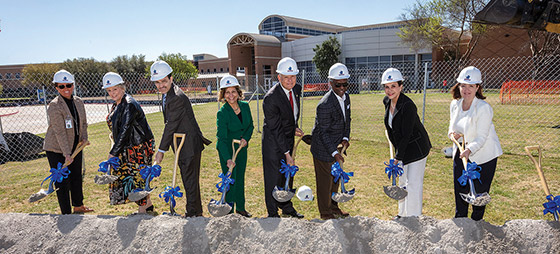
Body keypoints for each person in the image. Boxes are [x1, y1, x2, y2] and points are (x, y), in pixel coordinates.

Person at [151, 60, 212, 217]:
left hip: (189, 145)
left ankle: (193, 213)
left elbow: (170, 125)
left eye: (164, 81)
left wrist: (161, 150)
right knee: (188, 179)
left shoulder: (176, 97)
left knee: (190, 180)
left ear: (171, 79)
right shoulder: (168, 94)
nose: (161, 85)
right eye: (157, 82)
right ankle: (195, 211)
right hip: (182, 144)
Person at [448, 66, 502, 221]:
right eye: (463, 85)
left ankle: (477, 223)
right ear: (458, 86)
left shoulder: (484, 108)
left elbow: (482, 137)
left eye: (471, 86)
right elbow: (452, 128)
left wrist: (469, 150)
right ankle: (461, 220)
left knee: (479, 192)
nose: (466, 90)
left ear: (477, 87)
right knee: (460, 188)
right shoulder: (455, 105)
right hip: (461, 151)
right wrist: (453, 135)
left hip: (484, 155)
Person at [382, 67, 431, 219]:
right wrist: (397, 154)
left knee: (413, 184)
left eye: (394, 86)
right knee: (402, 182)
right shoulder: (387, 101)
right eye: (387, 87)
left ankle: (413, 217)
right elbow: (392, 128)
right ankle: (402, 214)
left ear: (401, 86)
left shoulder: (408, 106)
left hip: (416, 148)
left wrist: (398, 157)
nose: (390, 91)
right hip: (402, 149)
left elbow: (407, 134)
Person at [103, 72, 155, 214]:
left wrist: (113, 153)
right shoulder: (117, 105)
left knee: (138, 177)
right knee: (131, 176)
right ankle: (147, 205)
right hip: (128, 146)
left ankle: (143, 210)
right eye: (109, 90)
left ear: (122, 88)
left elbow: (125, 130)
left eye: (115, 89)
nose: (112, 93)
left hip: (138, 146)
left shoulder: (129, 104)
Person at [43, 69, 92, 214]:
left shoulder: (78, 102)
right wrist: (66, 154)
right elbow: (60, 132)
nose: (66, 89)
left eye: (69, 85)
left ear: (73, 85)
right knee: (62, 181)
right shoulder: (54, 105)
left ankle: (78, 206)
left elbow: (83, 123)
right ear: (56, 87)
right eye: (61, 86)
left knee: (76, 175)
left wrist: (84, 137)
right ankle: (66, 213)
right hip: (57, 149)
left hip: (75, 146)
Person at [262, 57, 305, 218]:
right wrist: (287, 153)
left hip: (287, 138)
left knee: (287, 175)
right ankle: (272, 212)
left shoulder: (296, 89)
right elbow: (275, 127)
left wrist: (294, 127)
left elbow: (288, 116)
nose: (290, 80)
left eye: (293, 76)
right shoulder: (271, 98)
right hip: (273, 144)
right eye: (286, 77)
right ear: (278, 77)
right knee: (273, 178)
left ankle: (286, 206)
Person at [310, 63, 352, 220]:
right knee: (325, 182)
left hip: (336, 145)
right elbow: (323, 133)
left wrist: (345, 138)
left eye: (345, 84)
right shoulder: (324, 105)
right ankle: (325, 212)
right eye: (337, 84)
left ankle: (334, 207)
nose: (342, 87)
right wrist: (335, 153)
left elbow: (347, 120)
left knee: (336, 178)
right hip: (323, 148)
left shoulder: (346, 98)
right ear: (330, 83)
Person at [216, 75, 254, 217]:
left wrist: (246, 138)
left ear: (238, 93)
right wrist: (227, 159)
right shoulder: (222, 113)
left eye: (233, 91)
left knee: (240, 178)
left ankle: (241, 208)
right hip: (228, 150)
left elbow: (250, 126)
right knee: (231, 180)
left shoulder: (245, 106)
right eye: (227, 92)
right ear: (223, 95)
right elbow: (221, 139)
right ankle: (229, 210)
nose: (231, 95)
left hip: (241, 149)